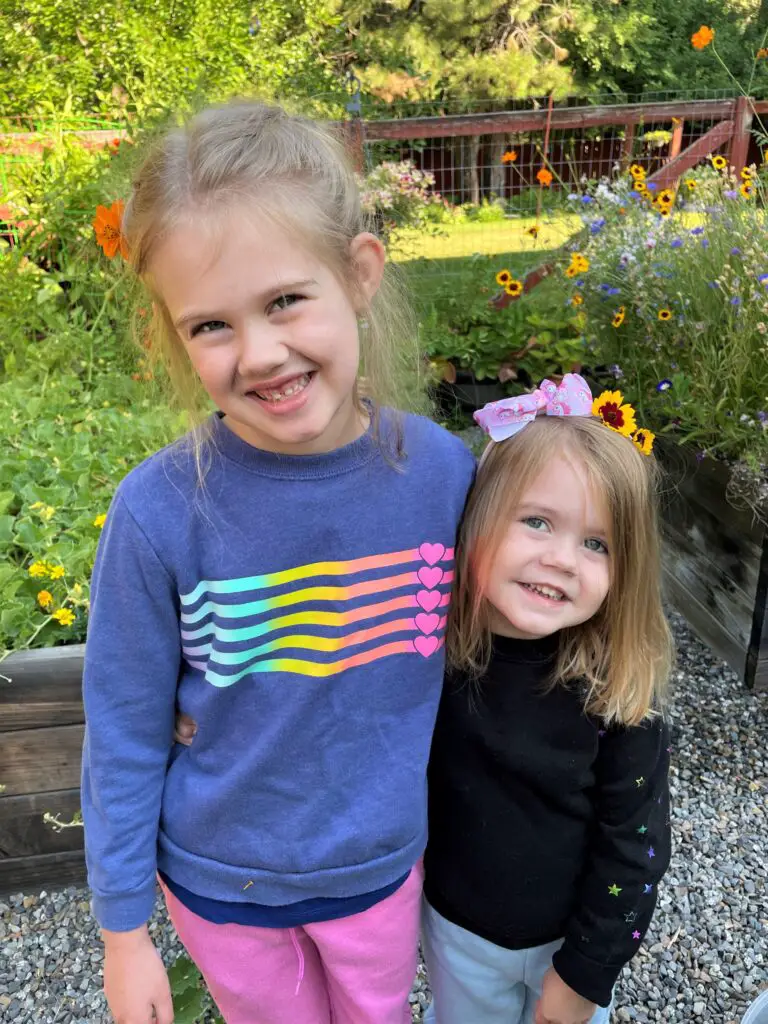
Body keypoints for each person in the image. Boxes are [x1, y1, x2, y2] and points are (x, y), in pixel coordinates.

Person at [81, 101, 475, 1024]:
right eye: (209, 325)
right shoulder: (157, 511)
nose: (259, 353)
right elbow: (126, 731)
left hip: (380, 875)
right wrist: (122, 934)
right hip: (222, 892)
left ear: (360, 274)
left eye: (286, 300)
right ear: (171, 336)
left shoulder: (444, 476)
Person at [422, 376, 673, 1024]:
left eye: (597, 543)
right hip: (459, 934)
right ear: (475, 521)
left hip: (570, 945)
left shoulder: (617, 694)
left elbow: (636, 845)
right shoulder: (432, 655)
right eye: (537, 522)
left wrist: (587, 971)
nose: (563, 559)